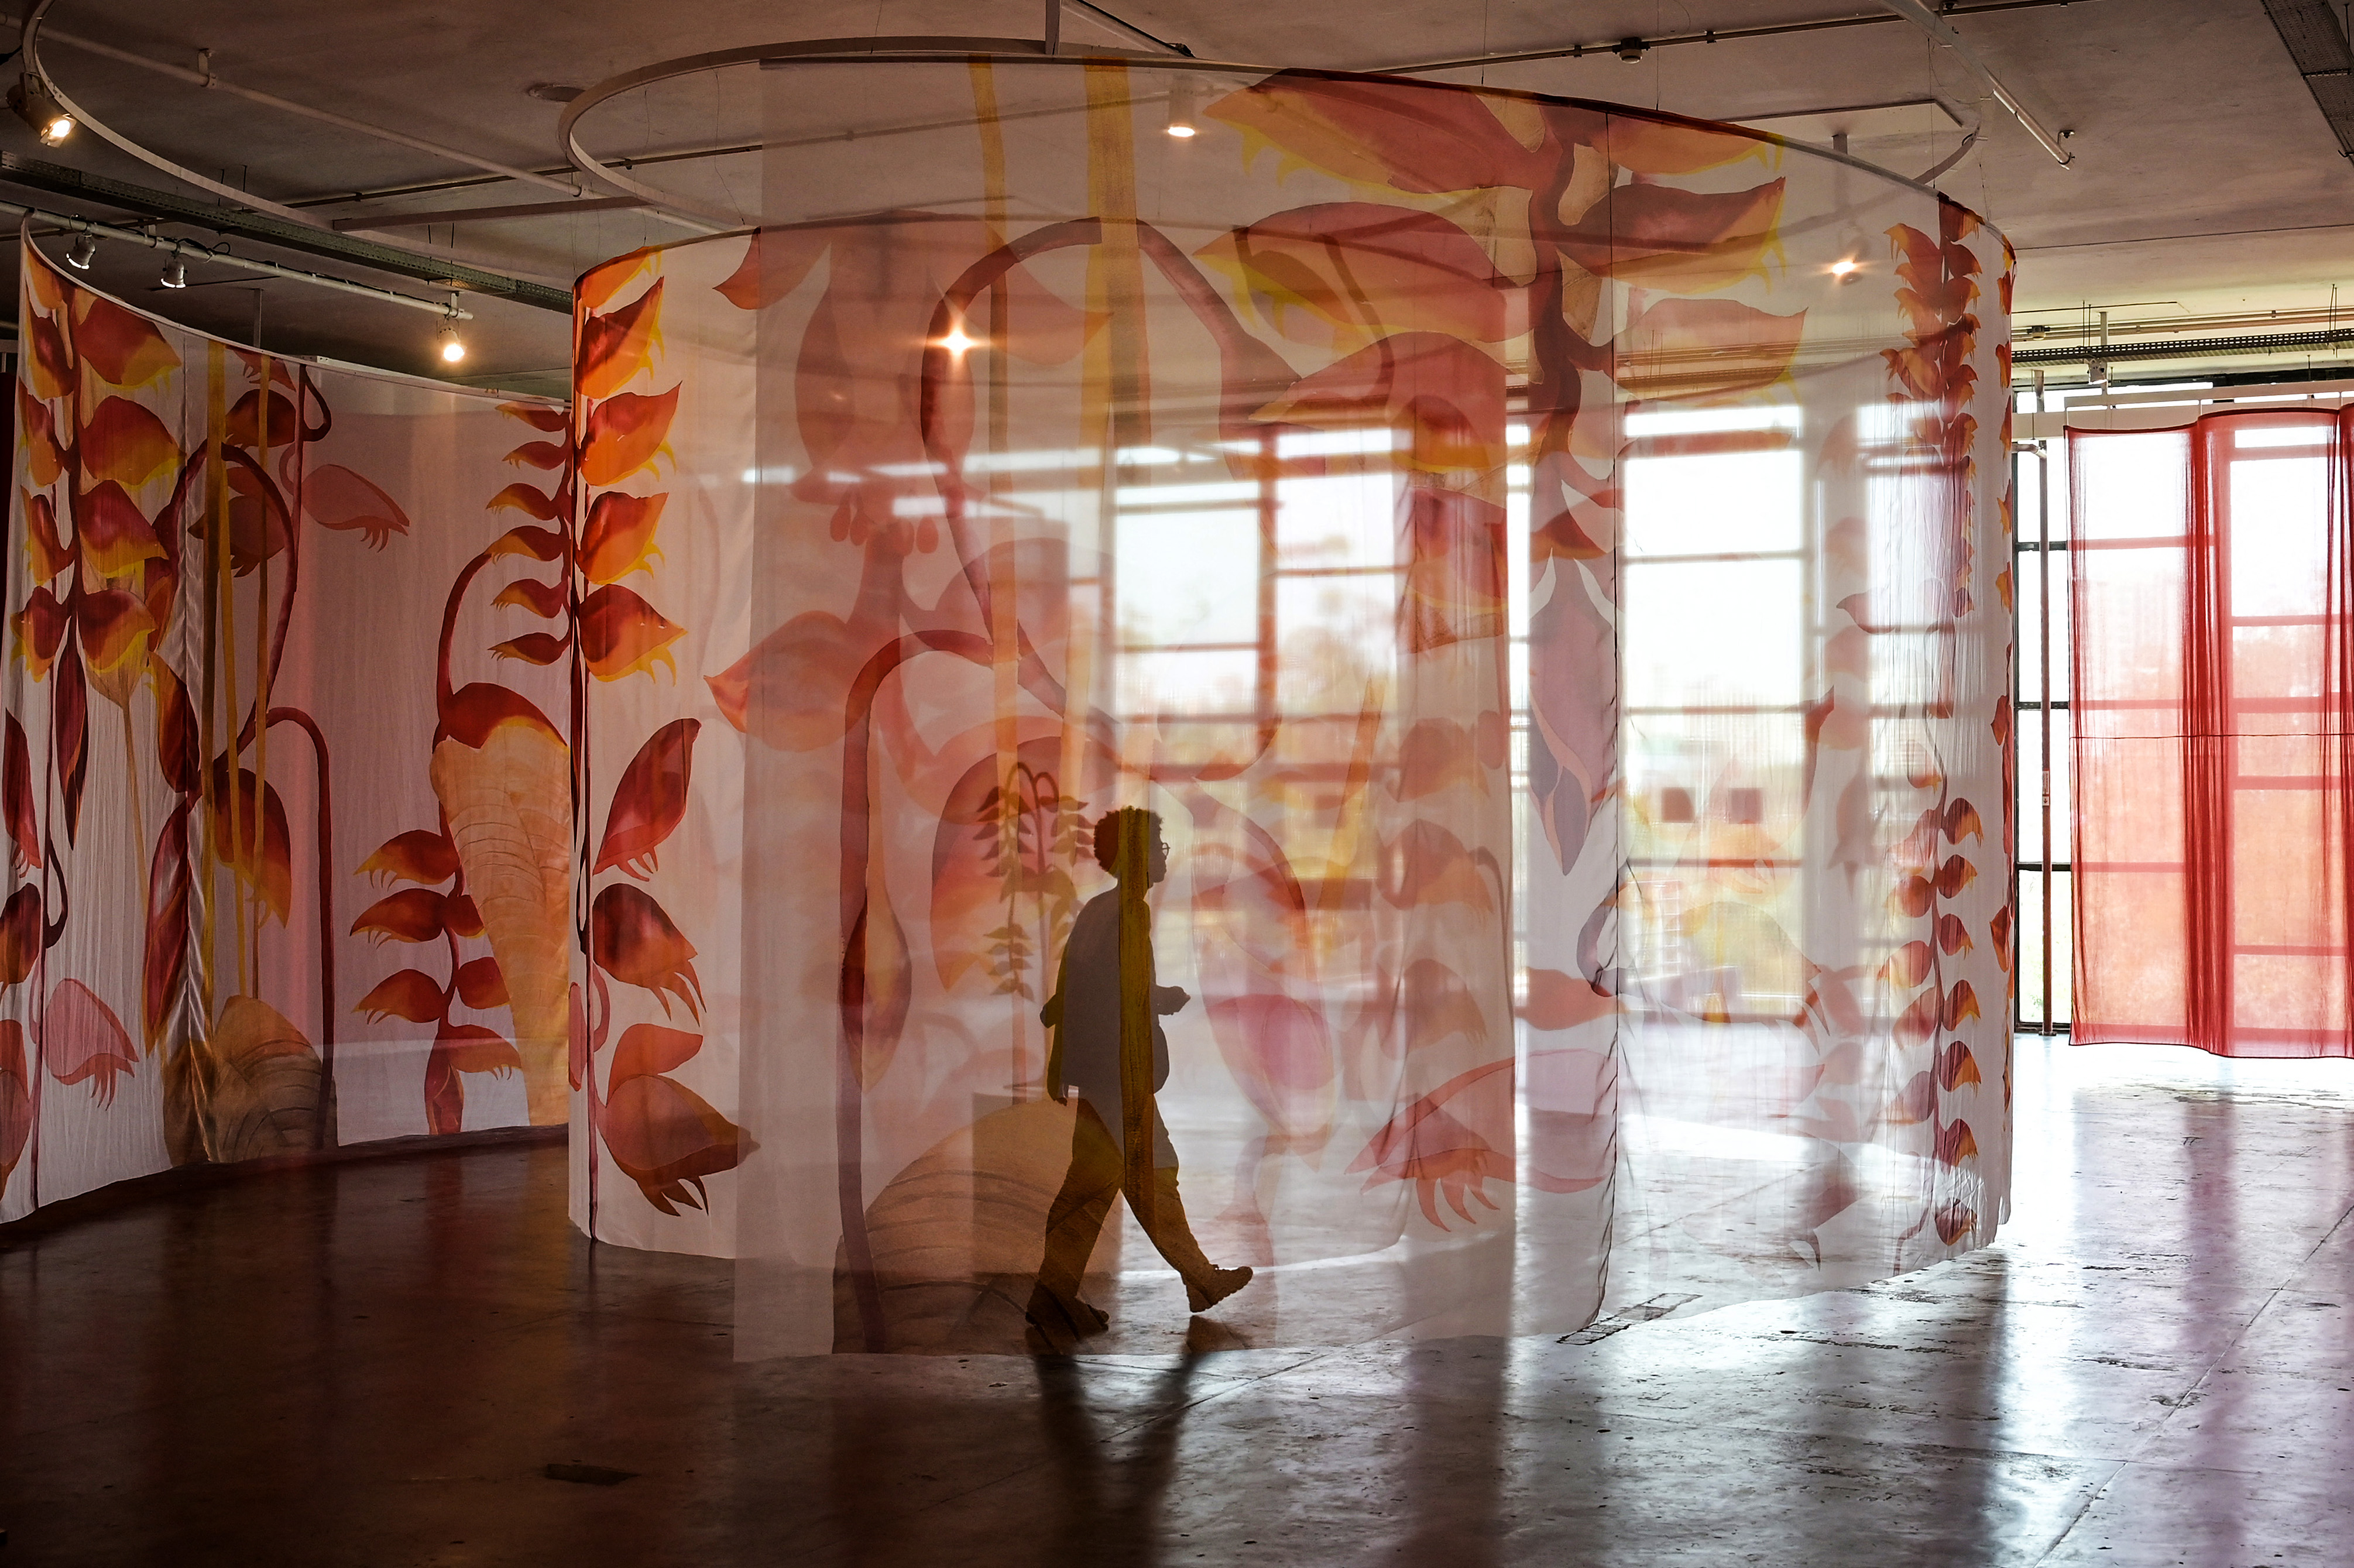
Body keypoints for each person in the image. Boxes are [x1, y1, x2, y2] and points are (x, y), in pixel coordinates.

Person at [1027, 807, 1251, 1349]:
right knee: (1146, 1177)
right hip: (1117, 1075)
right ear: (1134, 856)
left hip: (1103, 1070)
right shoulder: (1126, 913)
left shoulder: (1100, 910)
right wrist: (1163, 998)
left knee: (1103, 1185)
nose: (1163, 856)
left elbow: (1073, 991)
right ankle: (1196, 1280)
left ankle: (1057, 1294)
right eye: (1157, 845)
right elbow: (1119, 991)